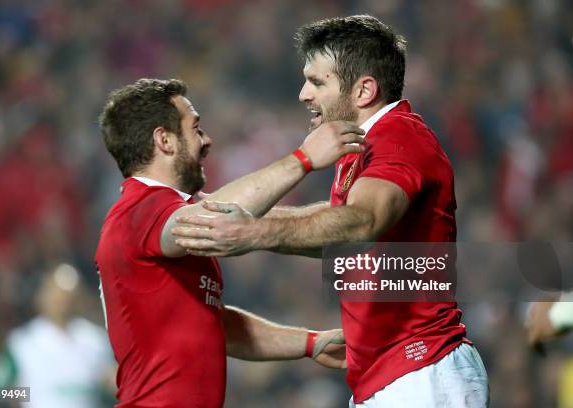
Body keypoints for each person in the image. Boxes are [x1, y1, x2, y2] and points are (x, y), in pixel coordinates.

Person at [172, 15, 490, 407]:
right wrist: (244, 224)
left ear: (364, 90)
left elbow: (363, 222)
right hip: (390, 375)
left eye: (318, 82)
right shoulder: (360, 144)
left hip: (421, 371)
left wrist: (253, 234)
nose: (304, 93)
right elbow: (342, 228)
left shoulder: (399, 136)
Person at [95, 78, 365, 407]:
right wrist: (304, 158)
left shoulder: (168, 220)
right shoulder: (137, 211)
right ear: (164, 140)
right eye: (195, 128)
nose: (207, 140)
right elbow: (215, 217)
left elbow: (218, 325)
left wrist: (310, 343)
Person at [0, 264, 116, 408]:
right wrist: (24, 394)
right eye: (56, 295)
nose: (62, 302)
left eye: (68, 296)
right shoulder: (23, 342)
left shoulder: (95, 340)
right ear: (41, 296)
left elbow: (115, 386)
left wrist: (107, 388)